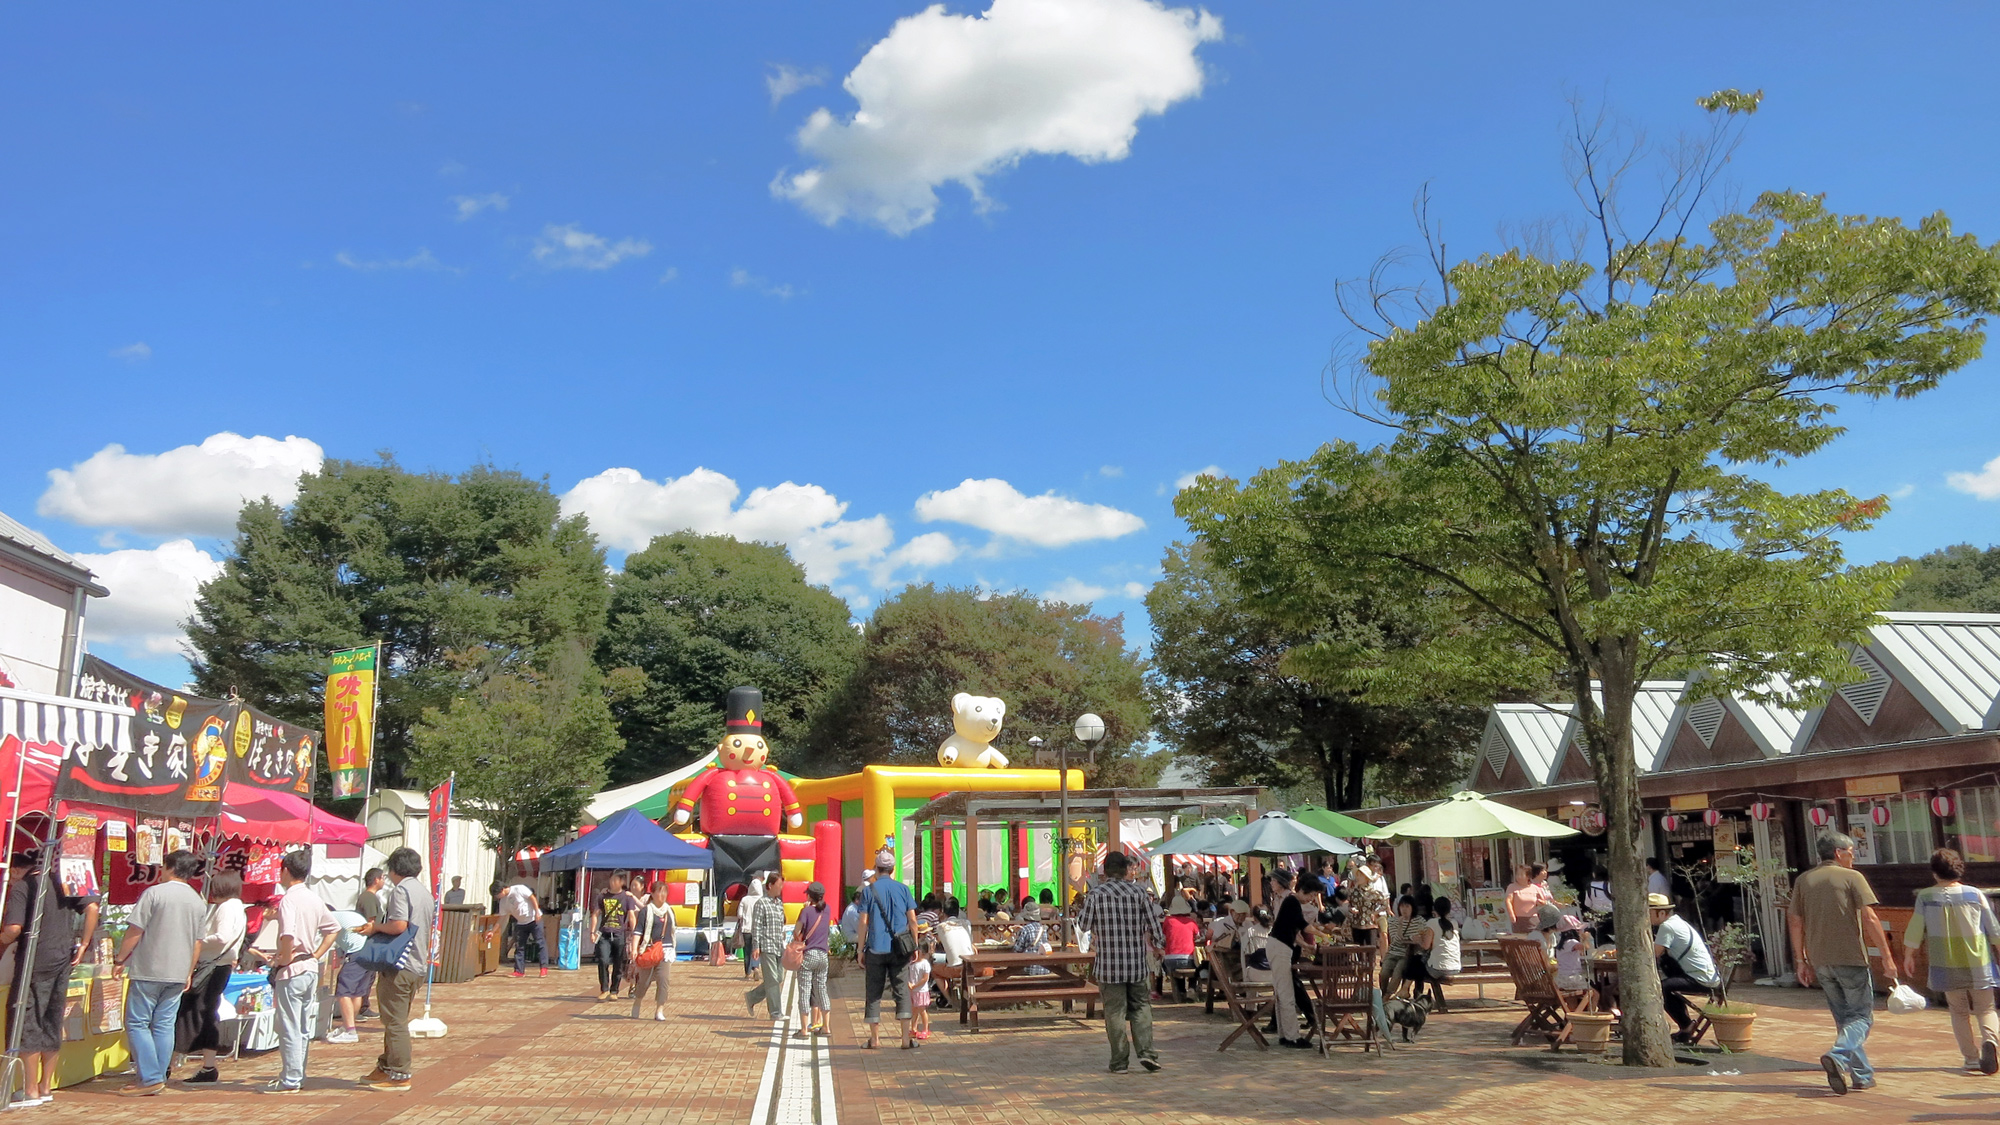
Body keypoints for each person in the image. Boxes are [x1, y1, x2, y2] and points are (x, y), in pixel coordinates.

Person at [1790, 830, 1898, 1095]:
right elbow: (1870, 918)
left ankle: (1861, 1074)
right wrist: (1886, 957)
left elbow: (1794, 920)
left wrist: (1800, 959)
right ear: (1839, 853)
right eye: (1851, 852)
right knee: (1861, 1017)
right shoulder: (1852, 877)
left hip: (1820, 959)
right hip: (1850, 958)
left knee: (1845, 1020)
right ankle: (1838, 1056)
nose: (1853, 857)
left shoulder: (1804, 880)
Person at [0, 851, 98, 1106]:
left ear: (15, 870)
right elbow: (92, 907)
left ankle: (30, 1090)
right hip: (62, 960)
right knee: (52, 1020)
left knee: (28, 1020)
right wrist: (84, 943)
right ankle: (45, 1087)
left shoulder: (23, 886)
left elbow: (12, 930)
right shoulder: (61, 880)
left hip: (34, 962)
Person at [113, 849, 205, 1097]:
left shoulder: (154, 893)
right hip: (178, 972)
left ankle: (151, 1077)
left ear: (169, 867)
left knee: (137, 1022)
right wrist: (189, 971)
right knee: (164, 1025)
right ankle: (158, 1074)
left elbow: (135, 930)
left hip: (149, 969)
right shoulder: (197, 900)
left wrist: (120, 959)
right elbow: (198, 942)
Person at [1904, 847, 2000, 1074]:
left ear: (1934, 872)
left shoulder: (1926, 897)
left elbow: (1916, 928)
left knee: (1958, 1011)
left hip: (1944, 960)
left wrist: (1909, 954)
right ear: (1959, 870)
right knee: (1986, 1008)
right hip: (1978, 959)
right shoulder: (1975, 894)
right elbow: (1993, 929)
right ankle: (1991, 1042)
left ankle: (1971, 1059)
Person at [1076, 851, 1165, 1072]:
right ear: (1126, 870)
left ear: (1104, 872)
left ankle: (1119, 1061)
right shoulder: (1139, 893)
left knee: (1114, 1012)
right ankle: (1147, 1053)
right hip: (1136, 963)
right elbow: (1155, 926)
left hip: (1108, 965)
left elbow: (1083, 925)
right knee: (1141, 1007)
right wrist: (1159, 945)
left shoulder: (1096, 894)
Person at [356, 845, 434, 1092]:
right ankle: (386, 1067)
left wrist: (375, 928)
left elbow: (399, 925)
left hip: (400, 965)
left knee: (395, 1022)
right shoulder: (424, 892)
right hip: (417, 964)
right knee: (394, 1019)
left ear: (394, 869)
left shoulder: (401, 891)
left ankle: (400, 1073)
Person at [265, 848, 339, 1093]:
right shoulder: (314, 898)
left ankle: (291, 1078)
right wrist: (317, 954)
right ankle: (297, 1074)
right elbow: (333, 928)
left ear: (286, 870)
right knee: (302, 1026)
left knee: (289, 1026)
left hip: (293, 967)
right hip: (309, 967)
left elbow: (288, 934)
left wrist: (283, 960)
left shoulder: (289, 900)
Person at [176, 869, 246, 1078]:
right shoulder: (238, 907)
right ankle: (208, 1065)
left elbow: (222, 937)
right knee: (207, 1013)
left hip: (210, 965)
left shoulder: (225, 907)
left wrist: (198, 942)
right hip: (221, 967)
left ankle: (187, 1064)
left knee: (191, 1014)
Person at [855, 848, 918, 1050]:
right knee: (901, 990)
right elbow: (913, 921)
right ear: (892, 869)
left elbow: (863, 922)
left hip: (875, 949)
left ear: (876, 868)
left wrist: (859, 949)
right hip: (899, 950)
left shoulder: (868, 891)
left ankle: (874, 1039)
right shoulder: (903, 889)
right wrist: (914, 946)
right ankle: (905, 1040)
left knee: (874, 992)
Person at [1646, 893, 1720, 1042]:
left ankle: (1686, 1025)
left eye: (1648, 913)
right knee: (1668, 982)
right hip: (1705, 975)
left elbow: (1653, 954)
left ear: (1661, 913)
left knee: (1662, 987)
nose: (1646, 918)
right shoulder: (1677, 921)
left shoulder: (1667, 927)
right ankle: (1685, 1025)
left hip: (1701, 979)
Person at [1265, 869, 1313, 1049]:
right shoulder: (1290, 900)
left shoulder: (1287, 899)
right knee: (1286, 993)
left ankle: (1285, 1034)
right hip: (1280, 947)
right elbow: (1301, 926)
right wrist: (1322, 934)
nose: (1271, 883)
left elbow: (1292, 928)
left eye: (1274, 880)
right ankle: (1292, 1036)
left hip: (1281, 945)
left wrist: (1305, 944)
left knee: (1283, 991)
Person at [743, 872, 789, 1020]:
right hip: (767, 945)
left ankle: (752, 997)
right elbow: (756, 926)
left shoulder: (779, 904)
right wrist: (756, 946)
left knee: (778, 977)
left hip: (778, 946)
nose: (781, 888)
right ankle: (775, 1012)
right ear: (770, 886)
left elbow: (782, 924)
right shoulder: (761, 903)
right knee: (773, 979)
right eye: (779, 885)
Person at [631, 879, 678, 1021]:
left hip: (666, 950)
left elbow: (672, 931)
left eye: (665, 892)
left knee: (664, 980)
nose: (663, 895)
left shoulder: (669, 911)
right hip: (649, 949)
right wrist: (634, 948)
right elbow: (638, 931)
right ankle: (638, 1001)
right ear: (652, 893)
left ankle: (659, 1010)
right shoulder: (646, 911)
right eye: (660, 891)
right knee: (644, 981)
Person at [793, 882, 834, 1037]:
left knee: (804, 991)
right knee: (822, 990)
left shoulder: (806, 911)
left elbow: (797, 931)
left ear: (809, 895)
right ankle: (826, 1027)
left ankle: (804, 1029)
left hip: (809, 955)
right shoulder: (828, 909)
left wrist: (803, 910)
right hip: (823, 955)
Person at [591, 872, 639, 1000]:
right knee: (603, 960)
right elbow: (595, 914)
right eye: (612, 880)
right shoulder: (603, 896)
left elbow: (632, 916)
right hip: (604, 934)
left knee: (619, 964)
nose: (613, 882)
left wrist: (634, 934)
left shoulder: (627, 897)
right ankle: (604, 989)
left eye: (616, 880)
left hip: (619, 934)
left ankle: (614, 990)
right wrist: (592, 931)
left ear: (622, 882)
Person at [1407, 894, 1461, 998]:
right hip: (1455, 967)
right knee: (1419, 964)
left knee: (1416, 963)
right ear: (1449, 910)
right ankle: (1409, 990)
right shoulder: (1454, 923)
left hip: (1438, 969)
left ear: (1434, 909)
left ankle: (1414, 993)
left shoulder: (1432, 923)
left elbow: (1425, 946)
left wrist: (1418, 940)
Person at [497, 881, 546, 977]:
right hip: (521, 923)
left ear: (502, 890)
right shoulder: (503, 901)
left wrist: (536, 911)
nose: (498, 897)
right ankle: (519, 970)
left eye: (498, 894)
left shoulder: (518, 889)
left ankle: (543, 968)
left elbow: (532, 898)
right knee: (519, 946)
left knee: (540, 943)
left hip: (534, 919)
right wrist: (493, 931)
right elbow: (501, 918)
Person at [355, 867, 385, 1019]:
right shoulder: (368, 898)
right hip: (367, 943)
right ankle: (359, 1007)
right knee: (363, 977)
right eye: (382, 878)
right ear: (376, 880)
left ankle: (363, 1005)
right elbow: (370, 923)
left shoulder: (370, 897)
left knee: (369, 977)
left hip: (371, 943)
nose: (384, 881)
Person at [1160, 897, 1200, 1001]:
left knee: (1173, 968)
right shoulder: (1191, 922)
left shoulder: (1168, 921)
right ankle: (1191, 987)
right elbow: (1198, 937)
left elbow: (1163, 936)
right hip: (1188, 958)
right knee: (1197, 966)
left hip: (1171, 958)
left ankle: (1181, 990)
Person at [1381, 896, 1423, 992]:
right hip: (1393, 952)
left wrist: (1407, 939)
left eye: (1407, 906)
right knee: (1384, 973)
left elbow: (1421, 937)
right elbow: (1396, 940)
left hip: (1406, 954)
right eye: (1402, 906)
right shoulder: (1393, 921)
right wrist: (1400, 926)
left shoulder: (1419, 921)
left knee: (1397, 972)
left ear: (1412, 907)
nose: (1404, 909)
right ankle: (1383, 993)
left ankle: (1387, 996)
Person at [1507, 863, 1553, 934]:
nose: (1519, 876)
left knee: (1534, 941)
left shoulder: (1535, 888)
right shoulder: (1512, 887)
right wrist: (1511, 914)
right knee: (1520, 941)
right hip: (1518, 919)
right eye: (1517, 874)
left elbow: (1544, 902)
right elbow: (1508, 901)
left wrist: (1541, 902)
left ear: (1528, 876)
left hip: (1533, 919)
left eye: (1522, 874)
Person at [1011, 901, 1053, 974]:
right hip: (1044, 969)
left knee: (1010, 971)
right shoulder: (1044, 929)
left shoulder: (1025, 929)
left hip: (1029, 969)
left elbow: (1017, 950)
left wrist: (1016, 934)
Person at [737, 875, 765, 979]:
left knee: (747, 950)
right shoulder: (762, 900)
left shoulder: (744, 899)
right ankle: (756, 966)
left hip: (746, 929)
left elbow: (739, 915)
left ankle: (747, 973)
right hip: (758, 929)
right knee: (756, 949)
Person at [905, 937, 933, 1040]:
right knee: (914, 1010)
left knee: (922, 1010)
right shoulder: (912, 962)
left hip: (921, 991)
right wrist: (908, 983)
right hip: (912, 990)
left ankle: (925, 1029)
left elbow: (925, 978)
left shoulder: (925, 964)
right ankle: (913, 1029)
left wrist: (915, 985)